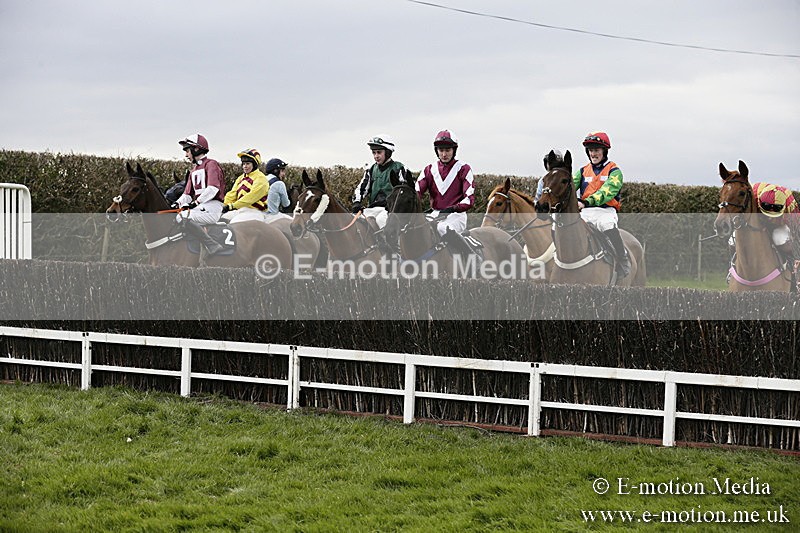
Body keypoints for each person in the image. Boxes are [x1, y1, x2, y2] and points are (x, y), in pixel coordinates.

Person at [573, 131, 631, 276]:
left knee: (607, 225)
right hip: (584, 212)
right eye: (591, 150)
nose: (593, 153)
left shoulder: (615, 171)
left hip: (605, 212)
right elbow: (569, 187)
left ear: (604, 151)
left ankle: (622, 258)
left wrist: (586, 201)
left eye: (597, 150)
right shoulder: (582, 171)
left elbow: (606, 192)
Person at [415, 130, 475, 237]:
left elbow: (469, 199)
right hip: (435, 214)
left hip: (456, 216)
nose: (444, 154)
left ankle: (466, 253)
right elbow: (416, 193)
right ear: (436, 151)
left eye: (447, 150)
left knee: (442, 228)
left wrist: (452, 208)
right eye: (441, 150)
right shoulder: (429, 170)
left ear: (454, 150)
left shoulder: (463, 168)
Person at [175, 133, 226, 255]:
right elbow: (187, 195)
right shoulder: (193, 170)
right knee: (177, 215)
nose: (186, 155)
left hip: (213, 207)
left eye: (187, 151)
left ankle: (212, 244)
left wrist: (196, 202)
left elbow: (213, 188)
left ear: (196, 149)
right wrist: (176, 203)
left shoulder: (211, 164)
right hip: (201, 207)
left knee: (183, 216)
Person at [351, 136, 405, 229]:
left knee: (381, 220)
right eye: (374, 153)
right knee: (354, 221)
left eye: (379, 152)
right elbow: (361, 189)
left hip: (391, 210)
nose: (376, 156)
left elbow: (406, 192)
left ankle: (388, 244)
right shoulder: (371, 170)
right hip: (372, 209)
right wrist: (357, 202)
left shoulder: (399, 168)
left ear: (388, 152)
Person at [752, 182, 799, 269]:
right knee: (733, 239)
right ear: (759, 202)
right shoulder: (752, 193)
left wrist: (797, 256)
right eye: (767, 214)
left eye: (773, 215)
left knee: (779, 238)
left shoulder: (790, 204)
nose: (769, 218)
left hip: (779, 225)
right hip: (757, 221)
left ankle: (790, 265)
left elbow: (797, 230)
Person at [221, 148, 269, 223]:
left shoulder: (261, 178)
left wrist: (232, 206)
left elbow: (251, 197)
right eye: (243, 164)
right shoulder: (241, 178)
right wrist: (223, 205)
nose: (245, 166)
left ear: (255, 164)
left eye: (248, 164)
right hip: (241, 210)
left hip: (255, 212)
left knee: (235, 223)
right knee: (221, 219)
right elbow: (232, 194)